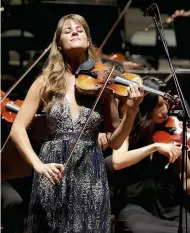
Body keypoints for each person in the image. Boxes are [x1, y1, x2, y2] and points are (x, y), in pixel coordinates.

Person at [10, 14, 144, 232]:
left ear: (88, 40)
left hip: (90, 169)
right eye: (67, 30)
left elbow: (116, 142)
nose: (74, 32)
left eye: (80, 29)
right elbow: (17, 128)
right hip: (53, 168)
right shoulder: (45, 82)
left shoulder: (103, 85)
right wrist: (37, 165)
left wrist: (132, 111)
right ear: (59, 44)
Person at [106, 77, 190, 233]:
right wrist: (154, 147)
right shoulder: (129, 128)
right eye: (158, 105)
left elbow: (186, 173)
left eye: (166, 103)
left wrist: (182, 150)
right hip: (135, 204)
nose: (164, 110)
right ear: (147, 106)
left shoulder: (173, 129)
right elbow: (118, 161)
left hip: (168, 203)